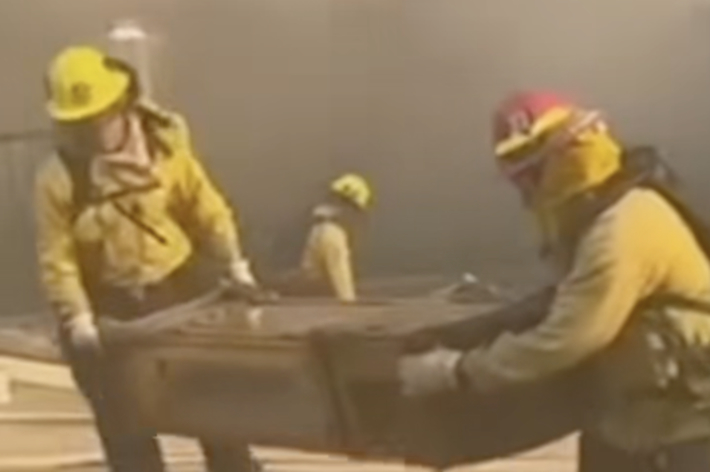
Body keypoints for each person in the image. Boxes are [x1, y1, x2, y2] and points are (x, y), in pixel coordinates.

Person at [398, 91, 710, 471]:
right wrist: (459, 335)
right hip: (629, 426)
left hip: (688, 431)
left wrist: (457, 371)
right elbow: (558, 302)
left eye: (531, 174)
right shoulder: (594, 222)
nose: (527, 191)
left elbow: (568, 338)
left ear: (566, 154)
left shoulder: (622, 227)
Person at [35, 45, 263, 472]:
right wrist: (78, 318)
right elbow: (57, 257)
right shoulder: (59, 177)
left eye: (96, 119)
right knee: (126, 434)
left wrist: (235, 265)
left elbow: (206, 209)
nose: (88, 133)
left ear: (121, 107)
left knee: (217, 416)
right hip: (110, 311)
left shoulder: (165, 149)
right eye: (77, 124)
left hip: (178, 291)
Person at [270, 173, 373, 302]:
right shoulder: (333, 234)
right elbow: (341, 280)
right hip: (317, 305)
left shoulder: (314, 224)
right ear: (348, 206)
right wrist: (350, 306)